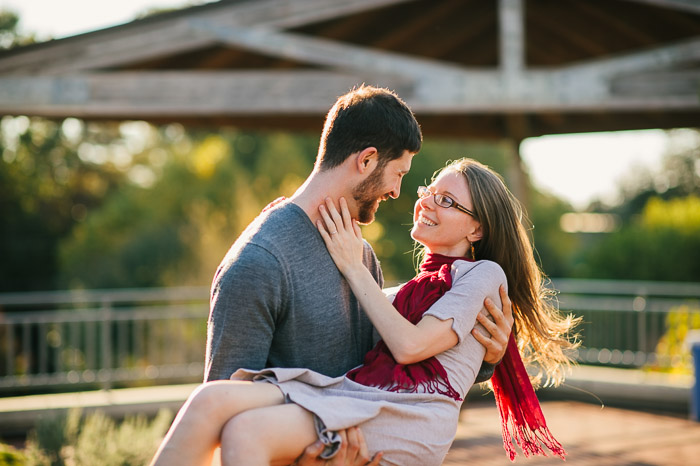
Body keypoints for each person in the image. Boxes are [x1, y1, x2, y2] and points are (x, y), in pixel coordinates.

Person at [151, 158, 579, 465]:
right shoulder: (410, 291)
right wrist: (286, 223)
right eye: (428, 191)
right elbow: (373, 318)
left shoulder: (484, 275)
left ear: (477, 228)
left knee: (246, 433)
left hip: (410, 414)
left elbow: (410, 346)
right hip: (355, 392)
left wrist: (352, 266)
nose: (425, 202)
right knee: (210, 400)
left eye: (446, 201)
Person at [200, 85, 513, 465]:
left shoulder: (359, 255)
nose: (400, 192)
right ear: (367, 161)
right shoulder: (258, 263)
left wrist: (484, 358)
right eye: (399, 173)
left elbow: (387, 361)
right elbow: (223, 426)